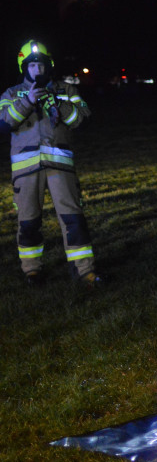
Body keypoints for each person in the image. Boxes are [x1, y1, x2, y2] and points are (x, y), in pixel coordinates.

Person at [0, 40, 101, 286]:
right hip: (26, 170)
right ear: (24, 68)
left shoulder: (66, 91)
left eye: (41, 65)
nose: (37, 70)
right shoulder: (11, 94)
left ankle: (84, 271)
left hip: (61, 167)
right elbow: (3, 124)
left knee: (73, 219)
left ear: (49, 66)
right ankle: (32, 271)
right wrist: (28, 102)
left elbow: (83, 120)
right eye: (32, 65)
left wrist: (58, 103)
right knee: (28, 222)